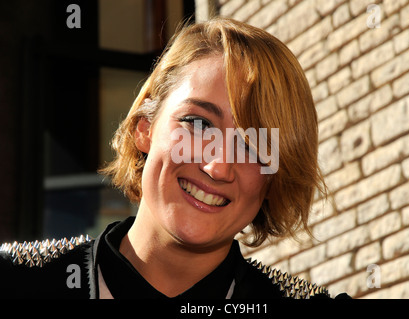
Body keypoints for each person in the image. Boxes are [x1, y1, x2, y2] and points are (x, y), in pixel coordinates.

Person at [0, 17, 349, 300]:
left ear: (274, 178)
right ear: (144, 128)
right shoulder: (17, 281)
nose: (218, 166)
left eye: (252, 147)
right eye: (198, 124)